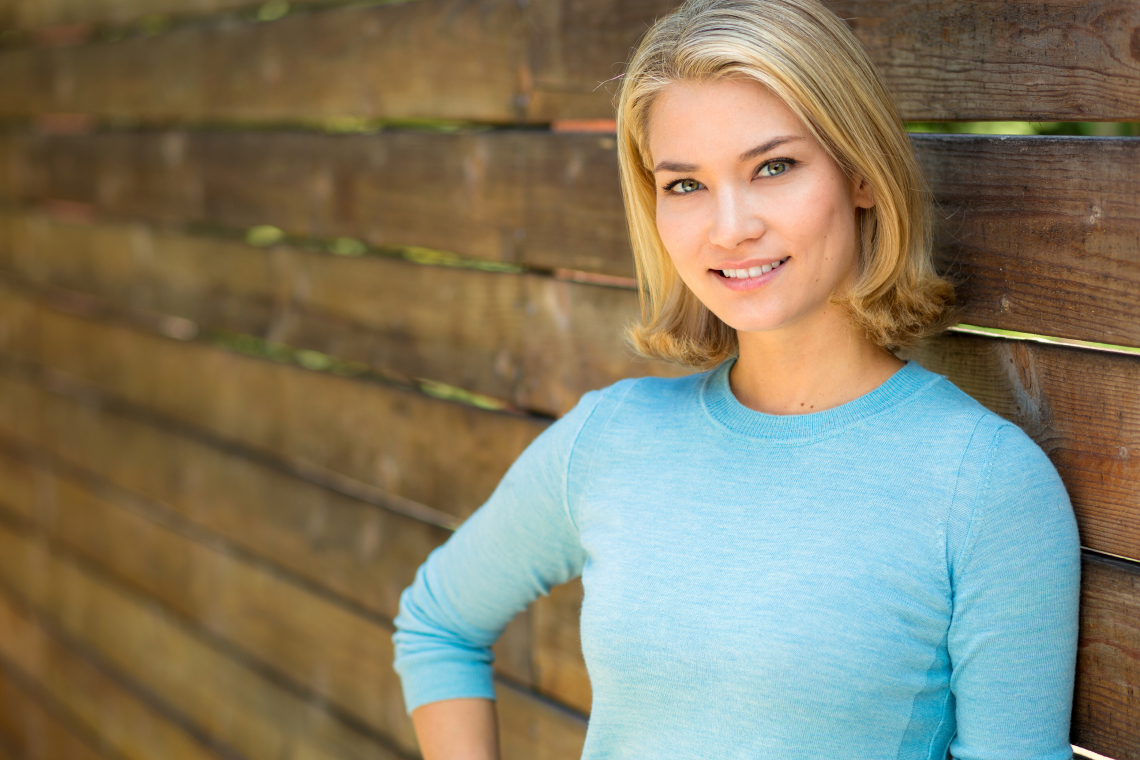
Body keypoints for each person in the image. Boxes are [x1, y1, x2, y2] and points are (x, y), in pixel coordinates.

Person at [391, 0, 1082, 757]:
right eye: (685, 184)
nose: (730, 227)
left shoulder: (984, 484)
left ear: (861, 174)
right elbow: (438, 623)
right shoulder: (613, 438)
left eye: (773, 167)